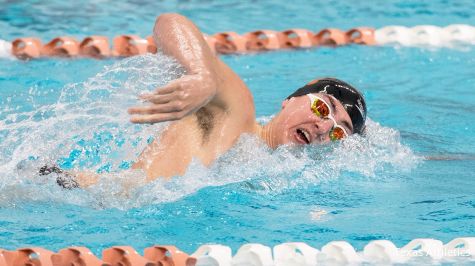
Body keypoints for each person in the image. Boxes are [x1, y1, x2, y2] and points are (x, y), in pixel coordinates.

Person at [41, 13, 367, 188]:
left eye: (337, 132)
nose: (323, 127)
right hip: (61, 187)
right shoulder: (236, 111)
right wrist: (201, 75)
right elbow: (170, 22)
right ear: (289, 100)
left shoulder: (265, 176)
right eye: (323, 108)